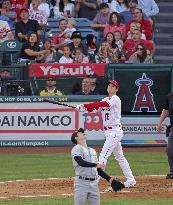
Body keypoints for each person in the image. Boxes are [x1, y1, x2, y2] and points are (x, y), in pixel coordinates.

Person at [76, 80, 136, 187]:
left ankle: (95, 180)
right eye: (109, 85)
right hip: (109, 132)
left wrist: (85, 105)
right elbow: (95, 109)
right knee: (120, 157)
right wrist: (83, 109)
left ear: (116, 89)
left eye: (113, 86)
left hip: (114, 131)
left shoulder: (115, 99)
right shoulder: (105, 99)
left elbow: (101, 104)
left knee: (103, 155)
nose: (110, 87)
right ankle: (131, 179)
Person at [71, 127, 124, 205]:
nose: (82, 133)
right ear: (76, 138)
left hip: (94, 185)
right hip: (81, 184)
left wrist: (109, 179)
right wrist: (96, 165)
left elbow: (97, 169)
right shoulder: (76, 149)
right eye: (80, 133)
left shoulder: (92, 151)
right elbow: (81, 162)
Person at [157, 93, 173, 179]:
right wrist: (160, 123)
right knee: (170, 150)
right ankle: (172, 172)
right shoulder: (170, 96)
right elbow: (166, 110)